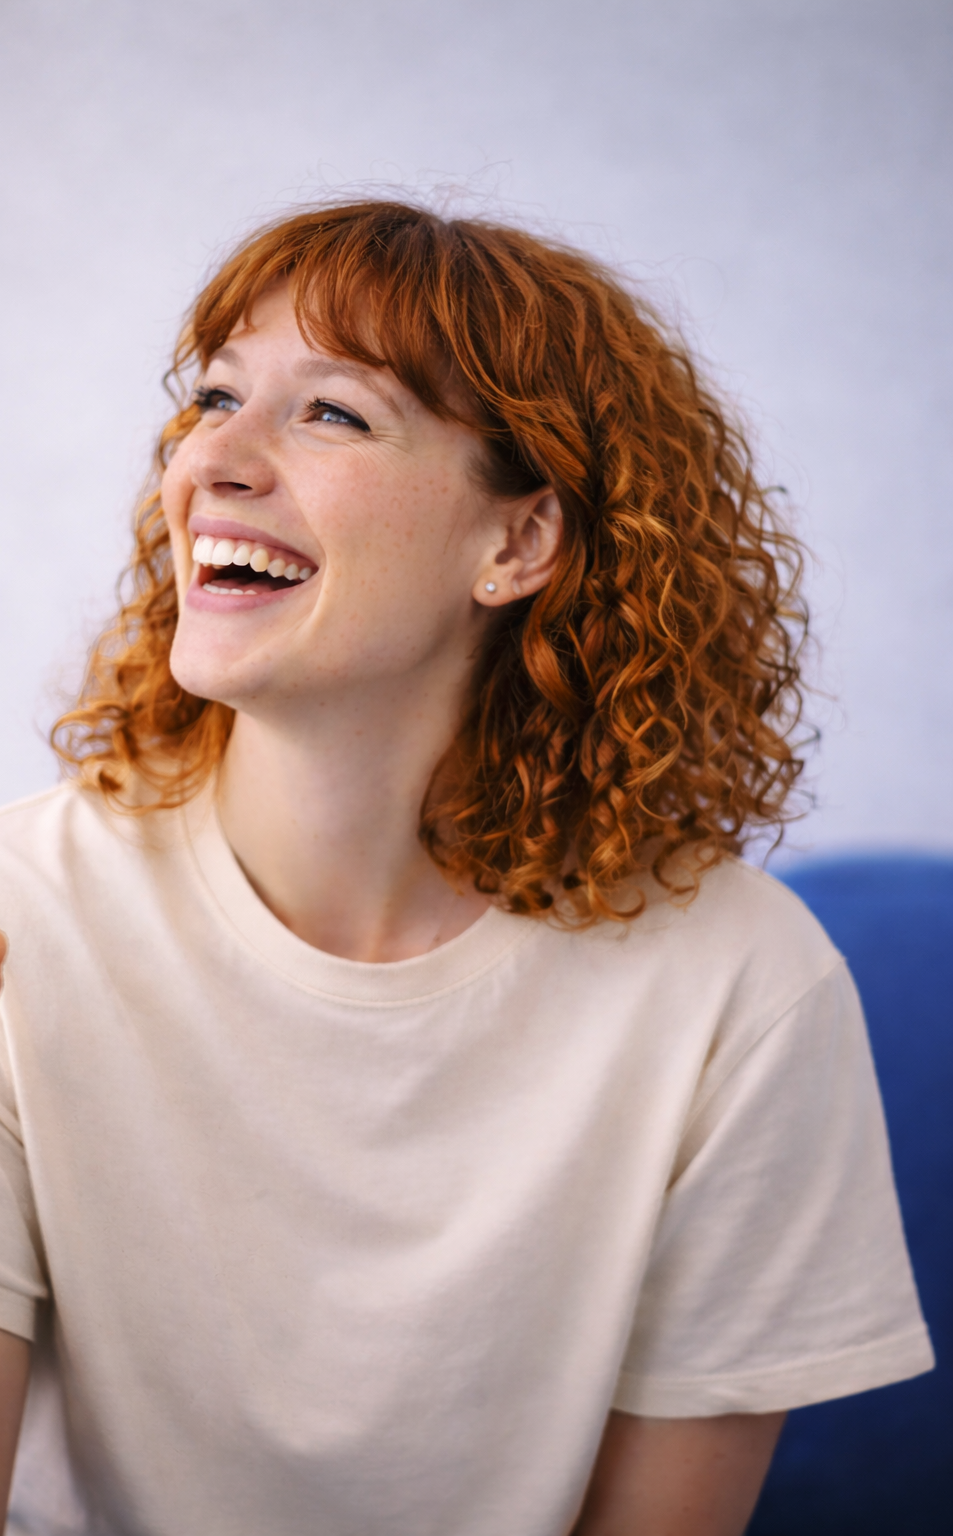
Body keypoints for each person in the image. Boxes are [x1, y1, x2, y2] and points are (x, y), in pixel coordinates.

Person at [0, 200, 932, 1536]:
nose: (215, 458)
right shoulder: (19, 924)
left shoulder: (744, 987)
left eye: (331, 413)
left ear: (518, 544)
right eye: (213, 396)